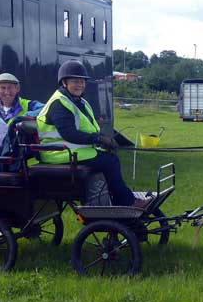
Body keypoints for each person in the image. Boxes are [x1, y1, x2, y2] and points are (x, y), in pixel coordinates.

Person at [36, 60, 150, 208]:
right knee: (110, 162)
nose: (80, 85)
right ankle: (126, 202)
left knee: (110, 159)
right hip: (57, 152)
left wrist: (103, 140)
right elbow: (70, 134)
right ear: (64, 82)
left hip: (72, 150)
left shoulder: (79, 102)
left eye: (82, 81)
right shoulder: (59, 104)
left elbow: (89, 128)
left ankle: (115, 200)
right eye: (75, 81)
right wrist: (98, 139)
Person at [0, 72, 45, 156]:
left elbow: (46, 109)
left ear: (17, 88)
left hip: (24, 164)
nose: (7, 92)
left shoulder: (29, 106)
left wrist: (24, 117)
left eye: (10, 88)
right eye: (3, 88)